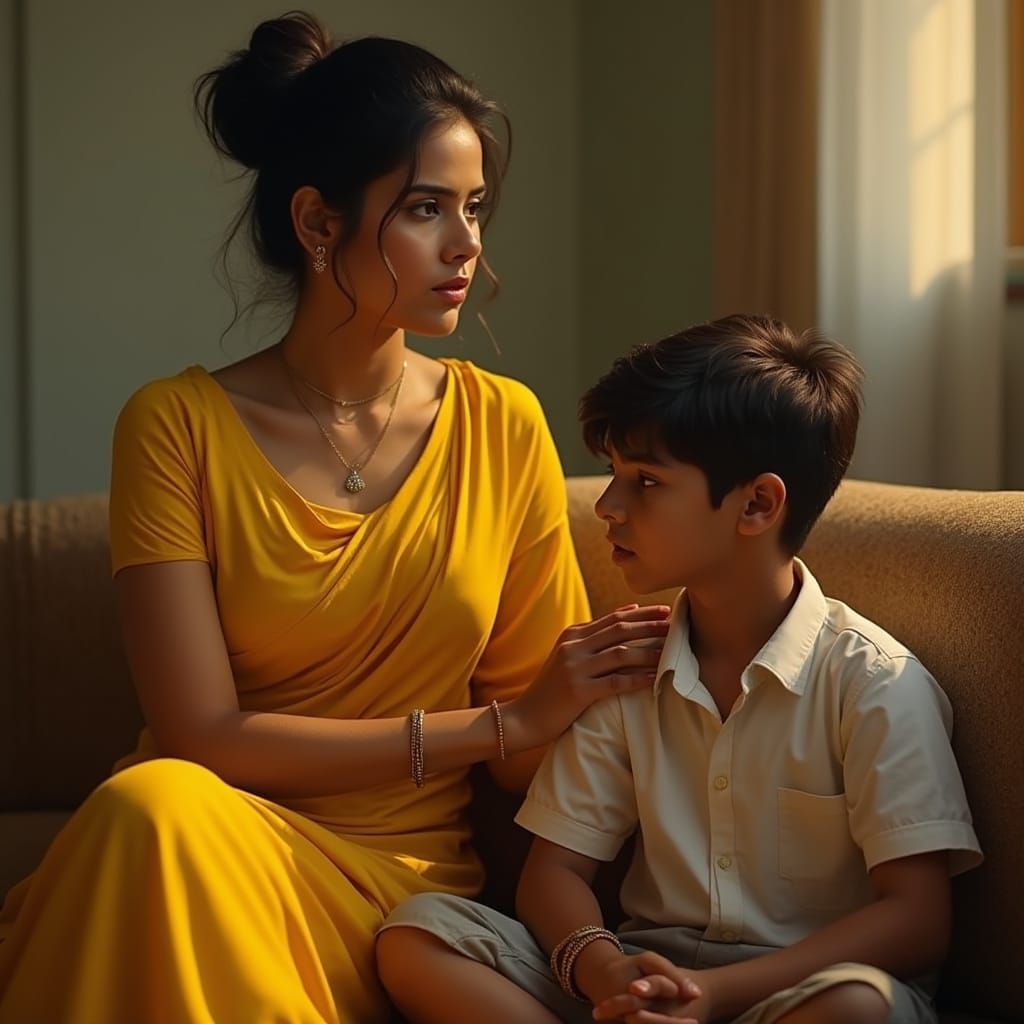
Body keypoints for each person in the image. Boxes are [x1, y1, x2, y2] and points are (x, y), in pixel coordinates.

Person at [0, 12, 671, 1024]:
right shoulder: (174, 426)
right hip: (201, 847)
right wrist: (502, 721)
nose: (465, 244)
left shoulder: (503, 427)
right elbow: (202, 735)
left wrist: (621, 696)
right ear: (318, 224)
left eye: (475, 207)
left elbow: (534, 756)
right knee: (151, 803)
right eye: (425, 209)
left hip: (402, 896)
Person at [377, 314, 984, 1024]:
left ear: (756, 504)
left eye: (645, 482)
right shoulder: (626, 666)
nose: (608, 506)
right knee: (419, 933)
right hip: (636, 984)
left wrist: (714, 996)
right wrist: (604, 970)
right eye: (613, 475)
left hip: (790, 996)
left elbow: (915, 920)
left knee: (857, 1008)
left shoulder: (875, 684)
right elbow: (554, 874)